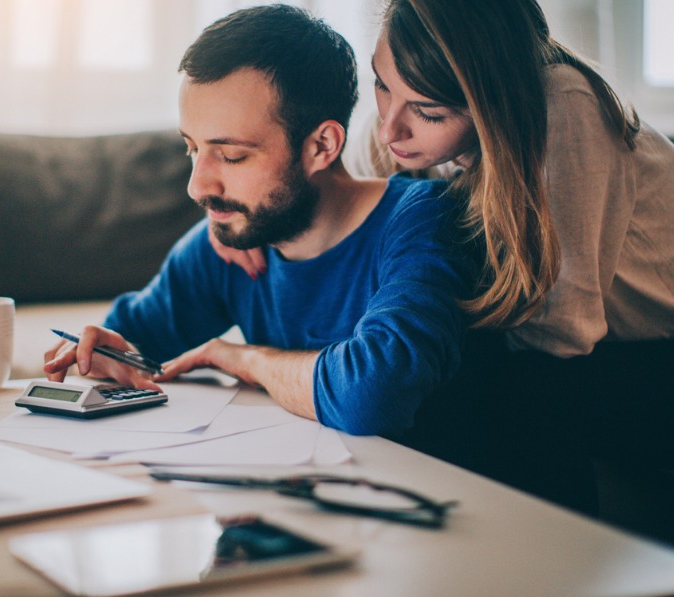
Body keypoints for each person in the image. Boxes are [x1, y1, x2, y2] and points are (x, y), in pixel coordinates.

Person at [211, 0, 674, 513]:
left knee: (474, 385)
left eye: (428, 112)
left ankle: (544, 570)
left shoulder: (563, 109)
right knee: (409, 366)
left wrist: (404, 343)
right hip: (611, 351)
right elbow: (337, 188)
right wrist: (250, 210)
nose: (390, 127)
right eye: (383, 88)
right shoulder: (402, 116)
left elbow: (563, 331)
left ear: (492, 98)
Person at [43, 4, 474, 440]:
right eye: (192, 148)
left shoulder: (424, 221)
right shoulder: (234, 239)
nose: (197, 187)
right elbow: (133, 339)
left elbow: (373, 396)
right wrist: (106, 352)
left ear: (321, 146)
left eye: (231, 155)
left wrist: (244, 359)